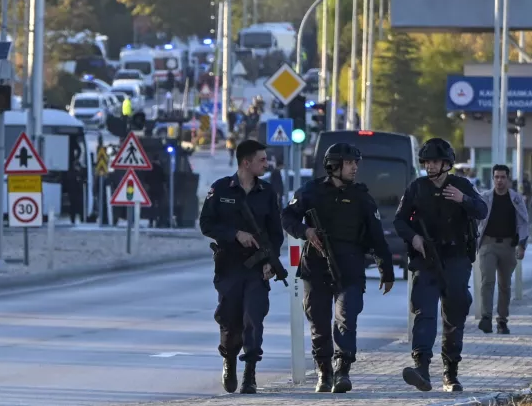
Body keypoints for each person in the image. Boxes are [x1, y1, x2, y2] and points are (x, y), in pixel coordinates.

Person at [282, 142, 395, 393]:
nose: (355, 167)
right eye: (349, 163)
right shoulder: (310, 192)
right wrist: (305, 230)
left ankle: (342, 369)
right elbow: (287, 216)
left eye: (356, 163)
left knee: (346, 318)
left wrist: (386, 270)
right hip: (315, 266)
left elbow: (376, 237)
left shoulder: (362, 197)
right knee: (319, 323)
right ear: (334, 165)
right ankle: (324, 372)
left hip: (350, 267)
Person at [393, 138, 487, 393]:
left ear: (446, 163)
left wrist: (462, 199)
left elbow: (482, 210)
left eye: (435, 161)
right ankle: (421, 367)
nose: (430, 166)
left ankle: (451, 372)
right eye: (426, 162)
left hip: (456, 259)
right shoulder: (417, 188)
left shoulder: (461, 185)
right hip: (426, 259)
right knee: (424, 311)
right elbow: (399, 221)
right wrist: (414, 237)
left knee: (454, 314)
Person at [199, 139, 284, 395]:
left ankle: (250, 374)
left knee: (253, 318)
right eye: (261, 159)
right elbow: (206, 224)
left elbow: (275, 233)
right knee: (230, 319)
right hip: (228, 266)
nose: (266, 163)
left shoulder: (267, 192)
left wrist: (271, 261)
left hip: (257, 269)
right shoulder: (221, 189)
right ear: (246, 162)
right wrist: (234, 233)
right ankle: (229, 360)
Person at [477, 164, 529, 335]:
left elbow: (523, 222)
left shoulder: (515, 199)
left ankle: (502, 321)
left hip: (508, 245)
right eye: (496, 177)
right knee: (487, 281)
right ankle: (486, 317)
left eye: (503, 177)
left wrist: (522, 245)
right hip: (488, 244)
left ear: (508, 179)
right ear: (493, 179)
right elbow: (475, 219)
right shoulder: (485, 198)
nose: (499, 181)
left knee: (505, 285)